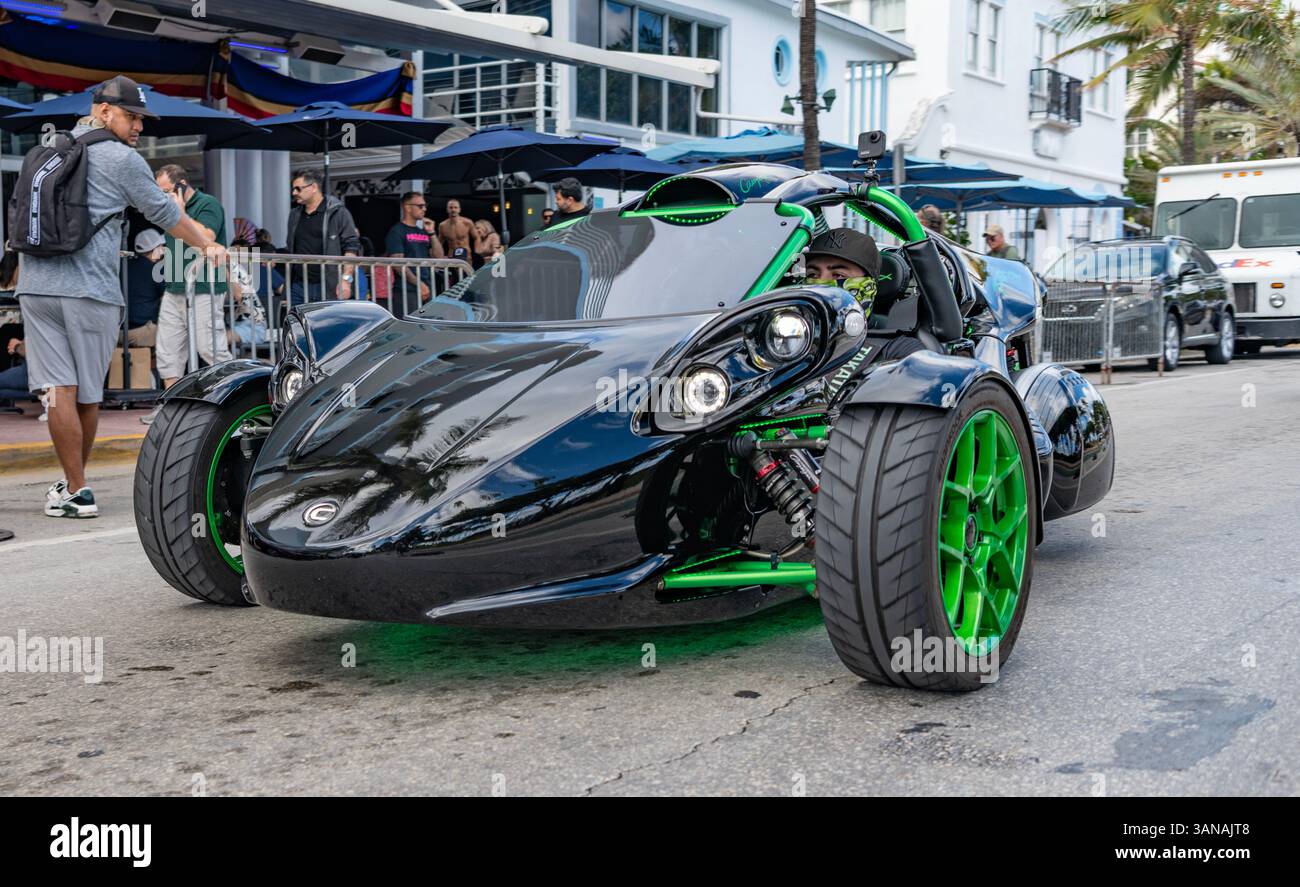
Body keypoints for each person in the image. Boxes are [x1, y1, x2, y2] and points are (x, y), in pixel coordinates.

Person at [14, 75, 227, 518]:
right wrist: (207, 245)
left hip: (35, 285)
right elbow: (166, 213)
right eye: (132, 116)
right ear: (104, 111)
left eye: (141, 119)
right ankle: (79, 488)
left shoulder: (50, 148)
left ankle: (73, 486)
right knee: (87, 394)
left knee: (57, 391)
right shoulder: (120, 159)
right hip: (90, 291)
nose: (139, 127)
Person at [152, 163, 232, 393]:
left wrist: (182, 214)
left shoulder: (208, 204)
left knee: (210, 347)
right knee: (168, 348)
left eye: (166, 192)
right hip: (175, 284)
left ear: (182, 185)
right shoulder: (169, 209)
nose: (164, 197)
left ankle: (233, 394)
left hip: (205, 284)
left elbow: (207, 237)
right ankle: (171, 403)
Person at [801, 228, 924, 362]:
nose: (820, 284)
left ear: (869, 286)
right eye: (812, 274)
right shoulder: (789, 337)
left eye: (838, 275)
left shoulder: (897, 349)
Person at [285, 168, 362, 306]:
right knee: (297, 326)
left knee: (327, 326)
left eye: (298, 188)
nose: (294, 193)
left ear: (313, 187)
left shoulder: (338, 212)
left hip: (328, 284)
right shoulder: (294, 214)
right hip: (298, 285)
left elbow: (351, 247)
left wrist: (345, 279)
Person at [384, 191, 443, 317]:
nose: (424, 209)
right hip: (407, 289)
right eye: (420, 206)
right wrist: (419, 284)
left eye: (425, 205)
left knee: (428, 325)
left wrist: (432, 233)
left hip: (427, 285)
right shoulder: (397, 231)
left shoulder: (422, 231)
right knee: (410, 327)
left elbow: (439, 256)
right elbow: (398, 264)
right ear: (407, 207)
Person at [125, 228, 164, 348]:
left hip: (117, 331)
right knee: (180, 334)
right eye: (161, 246)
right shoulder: (156, 271)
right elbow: (167, 298)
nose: (163, 251)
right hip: (141, 331)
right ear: (154, 249)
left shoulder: (124, 266)